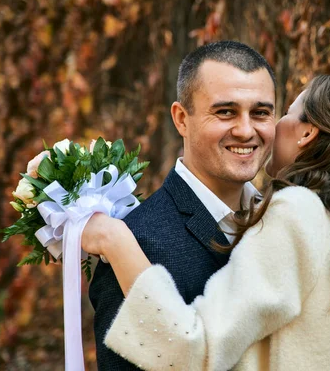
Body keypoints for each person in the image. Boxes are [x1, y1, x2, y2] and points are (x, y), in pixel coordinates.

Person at [84, 75, 330, 370]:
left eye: (284, 112)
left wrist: (115, 240)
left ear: (306, 133)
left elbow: (194, 349)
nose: (267, 129)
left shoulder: (297, 212)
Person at [88, 40, 276, 370]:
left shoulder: (280, 222)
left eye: (260, 113)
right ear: (181, 119)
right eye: (225, 112)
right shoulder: (136, 245)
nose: (246, 130)